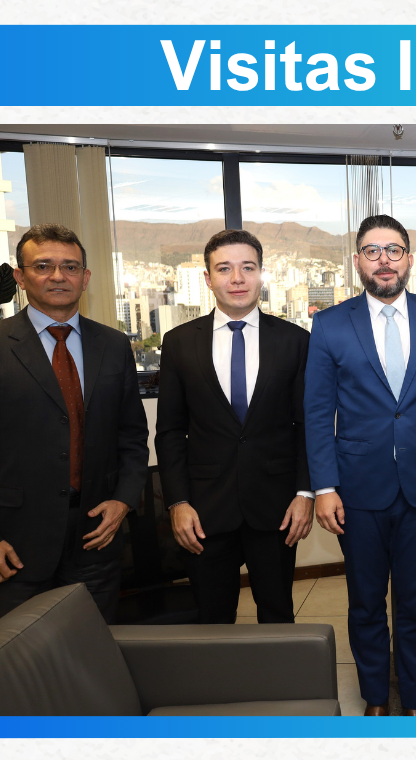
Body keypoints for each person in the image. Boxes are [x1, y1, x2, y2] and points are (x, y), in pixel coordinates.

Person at [0, 223, 149, 636]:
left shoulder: (112, 345)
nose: (58, 276)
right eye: (44, 265)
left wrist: (124, 501)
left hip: (95, 538)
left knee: (91, 658)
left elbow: (132, 437)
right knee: (13, 667)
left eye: (70, 266)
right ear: (20, 277)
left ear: (85, 277)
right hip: (12, 545)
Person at [304, 214, 416, 716]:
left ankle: (415, 700)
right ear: (357, 262)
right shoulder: (330, 323)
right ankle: (376, 697)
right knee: (366, 603)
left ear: (410, 259)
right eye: (372, 251)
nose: (384, 261)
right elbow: (315, 411)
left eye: (393, 250)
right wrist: (325, 486)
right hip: (357, 489)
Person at [154, 229, 313, 625]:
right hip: (204, 509)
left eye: (247, 267)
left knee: (277, 613)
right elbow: (170, 431)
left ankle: (280, 689)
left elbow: (308, 424)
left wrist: (305, 492)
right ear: (208, 278)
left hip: (276, 506)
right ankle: (222, 689)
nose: (237, 278)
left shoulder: (295, 341)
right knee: (213, 617)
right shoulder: (178, 343)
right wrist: (177, 502)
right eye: (224, 269)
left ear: (261, 274)